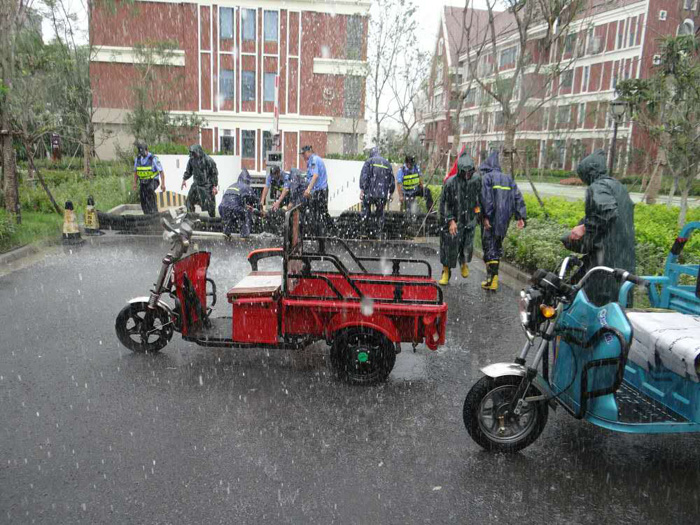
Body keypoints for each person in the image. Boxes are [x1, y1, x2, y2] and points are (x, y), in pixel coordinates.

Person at [562, 150, 635, 306]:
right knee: (618, 299)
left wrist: (584, 228)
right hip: (623, 253)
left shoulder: (597, 187)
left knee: (594, 299)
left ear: (588, 172)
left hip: (604, 254)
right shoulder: (618, 186)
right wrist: (585, 223)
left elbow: (607, 212)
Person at [480, 151, 526, 291]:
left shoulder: (487, 178)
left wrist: (486, 216)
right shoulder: (508, 179)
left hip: (491, 218)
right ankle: (492, 279)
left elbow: (486, 199)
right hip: (505, 219)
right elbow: (518, 197)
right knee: (497, 246)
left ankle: (492, 280)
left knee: (489, 247)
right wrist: (520, 216)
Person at [438, 151, 481, 285]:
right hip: (453, 219)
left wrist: (477, 214)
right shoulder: (450, 183)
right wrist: (451, 220)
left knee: (467, 244)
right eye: (464, 172)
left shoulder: (476, 180)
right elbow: (445, 204)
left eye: (470, 171)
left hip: (469, 219)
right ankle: (446, 271)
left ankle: (464, 263)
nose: (467, 174)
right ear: (459, 170)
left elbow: (479, 199)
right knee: (448, 246)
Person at [359, 147, 394, 238]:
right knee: (380, 212)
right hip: (382, 194)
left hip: (370, 193)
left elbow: (364, 177)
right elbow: (391, 180)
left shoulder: (369, 161)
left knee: (366, 210)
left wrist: (362, 190)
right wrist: (391, 193)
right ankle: (378, 233)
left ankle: (364, 231)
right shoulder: (387, 163)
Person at [181, 144, 219, 218]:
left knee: (209, 205)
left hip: (207, 185)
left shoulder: (208, 160)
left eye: (194, 153)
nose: (193, 155)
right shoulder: (191, 160)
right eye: (192, 153)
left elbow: (214, 174)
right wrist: (184, 179)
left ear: (199, 152)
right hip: (196, 184)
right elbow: (189, 171)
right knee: (189, 201)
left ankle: (211, 219)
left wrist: (214, 186)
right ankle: (191, 217)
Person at [218, 169, 257, 238]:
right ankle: (244, 235)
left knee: (231, 214)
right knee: (247, 212)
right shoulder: (246, 187)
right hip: (233, 208)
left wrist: (244, 206)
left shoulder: (232, 185)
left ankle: (226, 232)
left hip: (222, 208)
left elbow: (232, 200)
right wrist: (259, 209)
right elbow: (254, 199)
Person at [301, 145, 329, 237]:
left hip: (320, 191)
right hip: (319, 191)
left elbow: (315, 176)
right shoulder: (313, 160)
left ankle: (321, 235)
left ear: (309, 152)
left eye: (304, 153)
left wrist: (308, 189)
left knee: (319, 215)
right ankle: (320, 234)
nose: (303, 156)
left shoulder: (313, 160)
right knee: (319, 214)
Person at [132, 141, 165, 215]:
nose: (142, 155)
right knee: (142, 196)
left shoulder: (153, 159)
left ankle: (154, 212)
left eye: (143, 153)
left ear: (147, 150)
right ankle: (146, 214)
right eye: (141, 153)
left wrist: (163, 184)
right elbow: (136, 172)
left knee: (149, 190)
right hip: (143, 181)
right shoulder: (138, 159)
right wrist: (135, 183)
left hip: (153, 180)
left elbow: (161, 172)